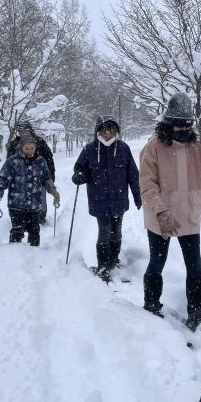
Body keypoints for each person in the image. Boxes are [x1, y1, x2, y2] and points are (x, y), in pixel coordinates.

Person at [139, 92, 201, 331]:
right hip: (161, 218)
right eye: (179, 124)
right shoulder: (153, 147)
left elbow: (200, 176)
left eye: (187, 124)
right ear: (168, 122)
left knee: (194, 266)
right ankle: (151, 305)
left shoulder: (194, 146)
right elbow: (146, 184)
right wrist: (160, 211)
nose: (183, 128)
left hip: (188, 214)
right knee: (157, 262)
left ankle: (196, 311)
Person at [71, 115, 142, 282]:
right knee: (104, 233)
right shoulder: (89, 150)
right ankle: (103, 265)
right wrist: (79, 175)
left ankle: (113, 260)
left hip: (119, 199)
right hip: (99, 201)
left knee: (116, 231)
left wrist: (138, 197)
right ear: (98, 132)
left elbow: (133, 175)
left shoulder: (123, 148)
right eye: (104, 130)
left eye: (111, 130)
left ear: (116, 131)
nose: (108, 133)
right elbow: (79, 168)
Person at [0, 136, 60, 247]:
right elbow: (2, 180)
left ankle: (34, 253)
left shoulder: (40, 161)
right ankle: (13, 253)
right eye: (26, 148)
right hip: (16, 205)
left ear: (35, 147)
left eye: (32, 148)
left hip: (34, 205)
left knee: (34, 231)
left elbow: (46, 178)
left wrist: (53, 191)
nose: (29, 151)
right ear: (21, 148)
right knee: (17, 231)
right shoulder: (13, 161)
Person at [6, 121, 56, 224]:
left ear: (30, 130)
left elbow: (49, 159)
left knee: (40, 198)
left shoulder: (40, 142)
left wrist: (51, 175)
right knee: (21, 199)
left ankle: (41, 216)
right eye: (20, 131)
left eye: (25, 130)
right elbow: (9, 161)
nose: (23, 132)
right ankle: (23, 218)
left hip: (38, 175)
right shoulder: (15, 144)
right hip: (19, 179)